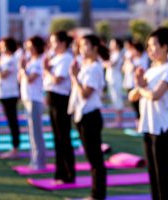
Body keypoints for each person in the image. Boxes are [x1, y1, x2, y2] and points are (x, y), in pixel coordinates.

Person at [128, 27, 168, 200]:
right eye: (148, 46)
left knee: (163, 173)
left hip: (162, 125)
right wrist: (138, 84)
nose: (150, 50)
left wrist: (141, 87)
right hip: (148, 124)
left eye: (154, 45)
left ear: (165, 47)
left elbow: (155, 95)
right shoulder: (149, 70)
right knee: (152, 171)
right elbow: (132, 95)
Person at [68, 34, 107, 200]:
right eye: (80, 46)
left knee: (95, 159)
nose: (81, 49)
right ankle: (95, 193)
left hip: (90, 115)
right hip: (83, 115)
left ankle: (97, 195)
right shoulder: (86, 65)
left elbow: (85, 93)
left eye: (85, 46)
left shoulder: (94, 68)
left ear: (94, 48)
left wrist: (74, 76)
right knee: (92, 158)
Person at [43, 31, 75, 184]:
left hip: (61, 100)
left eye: (54, 42)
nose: (51, 45)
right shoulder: (55, 58)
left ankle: (69, 174)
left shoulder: (66, 57)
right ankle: (60, 173)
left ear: (63, 43)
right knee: (57, 138)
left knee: (63, 138)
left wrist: (47, 70)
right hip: (53, 99)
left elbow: (57, 79)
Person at [19, 36, 46, 169]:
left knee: (36, 132)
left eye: (30, 46)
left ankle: (39, 162)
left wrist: (23, 68)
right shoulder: (32, 61)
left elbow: (30, 79)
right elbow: (22, 78)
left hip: (35, 99)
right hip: (28, 98)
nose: (28, 48)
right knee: (31, 132)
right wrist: (23, 68)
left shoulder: (39, 61)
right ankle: (34, 160)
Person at [0, 37, 20, 159]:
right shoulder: (4, 59)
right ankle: (14, 147)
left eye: (2, 45)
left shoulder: (11, 59)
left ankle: (15, 148)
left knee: (12, 120)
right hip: (3, 93)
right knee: (10, 120)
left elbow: (1, 75)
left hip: (10, 94)